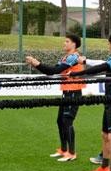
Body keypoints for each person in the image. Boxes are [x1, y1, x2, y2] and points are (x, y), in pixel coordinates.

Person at [69, 33, 111, 171]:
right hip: (109, 100)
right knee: (105, 134)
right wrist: (86, 62)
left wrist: (79, 73)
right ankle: (104, 167)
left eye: (108, 44)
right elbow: (102, 63)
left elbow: (102, 67)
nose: (108, 46)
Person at [25, 34, 85, 162]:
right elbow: (51, 70)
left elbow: (54, 71)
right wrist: (36, 64)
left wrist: (36, 63)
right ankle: (63, 150)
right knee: (60, 121)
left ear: (74, 44)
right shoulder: (66, 57)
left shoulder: (74, 57)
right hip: (66, 91)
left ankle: (72, 153)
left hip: (74, 92)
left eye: (67, 41)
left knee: (67, 121)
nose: (64, 43)